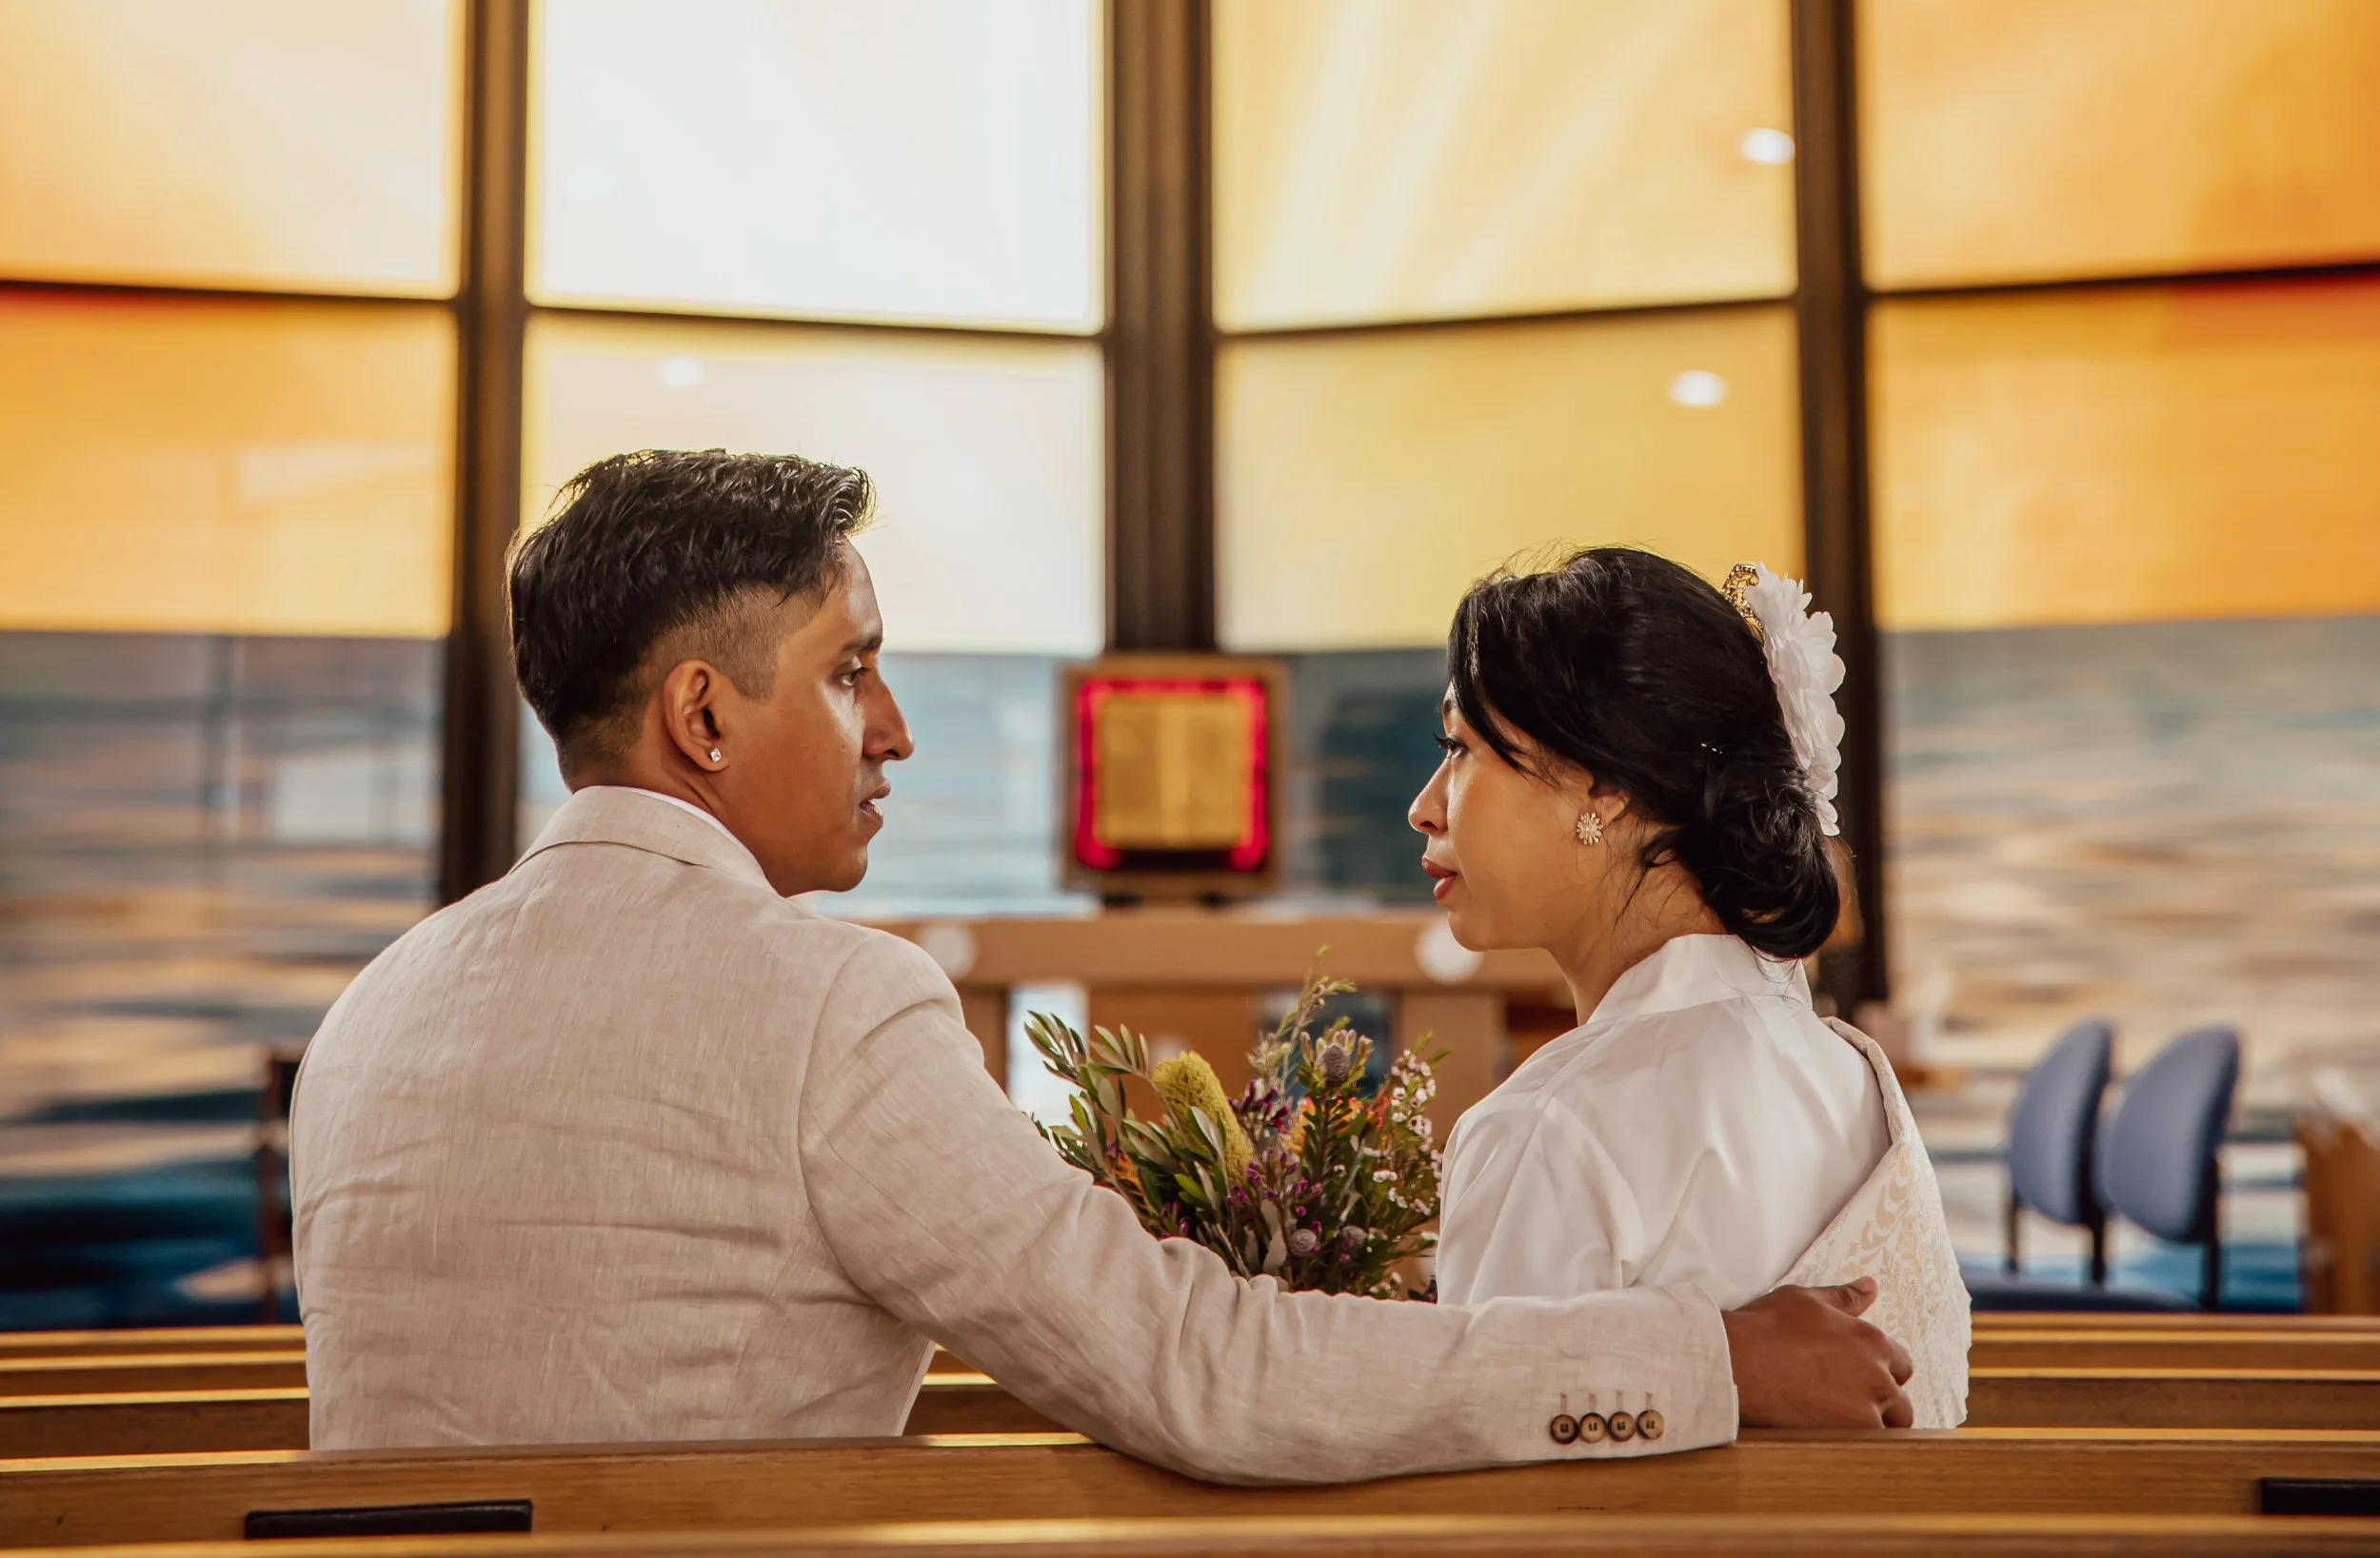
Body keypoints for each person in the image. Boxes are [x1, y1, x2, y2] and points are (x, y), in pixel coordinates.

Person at [291, 450, 1914, 1466]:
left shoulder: (375, 1014)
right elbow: (1199, 1376)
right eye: (854, 673)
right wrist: (1698, 1356)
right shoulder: (825, 1009)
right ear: (703, 716)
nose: (901, 731)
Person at [1410, 547, 1969, 1426]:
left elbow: (1494, 1495)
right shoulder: (1848, 1073)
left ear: (1604, 784)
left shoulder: (1552, 1128)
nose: (1427, 805)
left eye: (1463, 749)